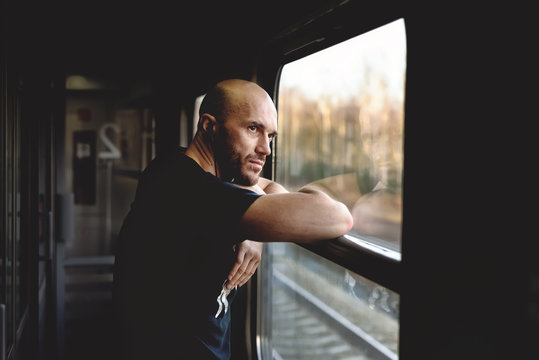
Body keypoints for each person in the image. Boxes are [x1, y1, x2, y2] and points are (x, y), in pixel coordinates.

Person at [113, 79, 353, 360]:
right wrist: (255, 217)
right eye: (253, 129)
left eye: (271, 136)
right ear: (209, 126)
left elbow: (267, 187)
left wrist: (254, 228)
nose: (266, 149)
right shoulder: (186, 188)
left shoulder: (179, 167)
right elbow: (337, 217)